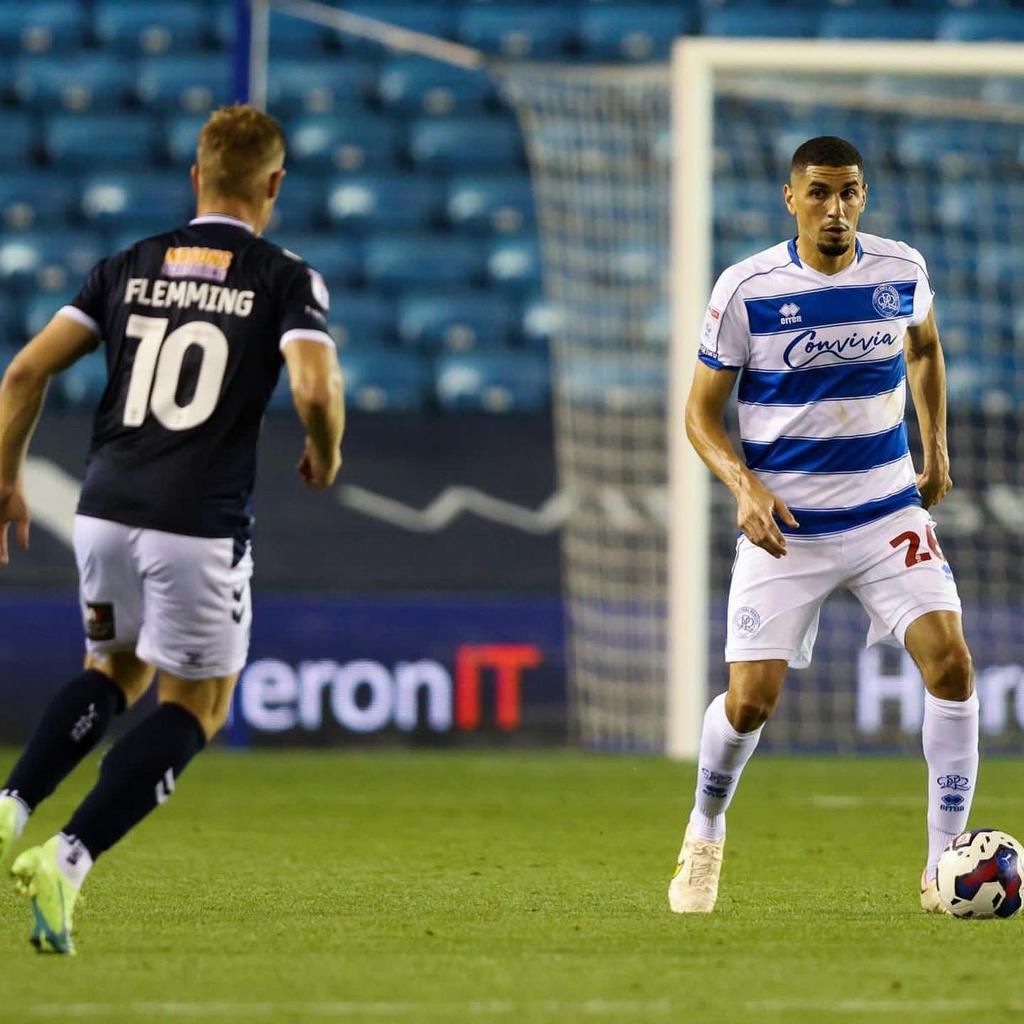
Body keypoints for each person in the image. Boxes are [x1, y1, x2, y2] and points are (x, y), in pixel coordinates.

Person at [0, 104, 345, 954]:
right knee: (200, 702)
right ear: (273, 184)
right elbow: (311, 387)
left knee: (113, 669)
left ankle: (9, 806)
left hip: (104, 509)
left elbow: (23, 371)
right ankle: (68, 860)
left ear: (196, 178)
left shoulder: (127, 263)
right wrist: (326, 449)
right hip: (196, 524)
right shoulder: (283, 276)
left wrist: (6, 477)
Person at [668, 136, 974, 916]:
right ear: (791, 197)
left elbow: (926, 351)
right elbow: (699, 414)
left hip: (885, 513)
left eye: (849, 193)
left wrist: (933, 449)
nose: (834, 209)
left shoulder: (900, 271)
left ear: (863, 197)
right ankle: (704, 830)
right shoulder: (747, 288)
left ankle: (944, 867)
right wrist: (744, 486)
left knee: (951, 664)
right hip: (788, 526)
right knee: (750, 703)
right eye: (819, 193)